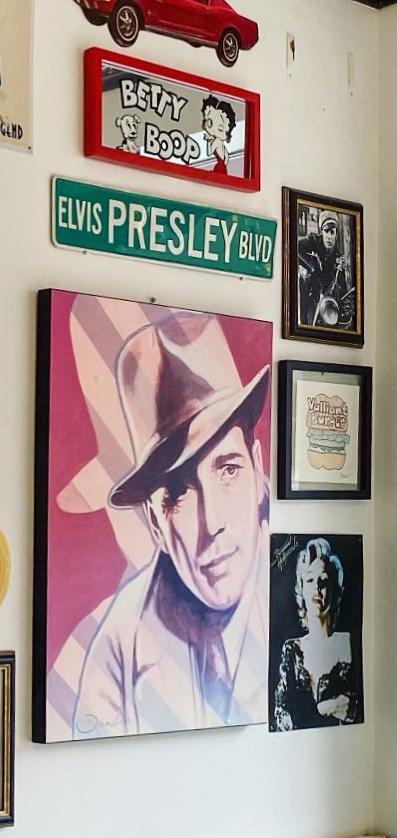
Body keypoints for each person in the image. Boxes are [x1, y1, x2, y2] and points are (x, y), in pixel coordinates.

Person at [72, 312, 271, 738]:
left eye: (229, 469)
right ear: (155, 522)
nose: (212, 522)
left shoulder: (308, 588)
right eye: (178, 494)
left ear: (258, 471)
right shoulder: (118, 649)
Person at [274, 539, 360, 730]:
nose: (317, 587)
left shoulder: (348, 643)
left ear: (334, 590)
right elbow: (280, 713)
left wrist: (346, 708)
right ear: (302, 590)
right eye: (310, 580)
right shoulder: (292, 649)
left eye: (324, 580)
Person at [296, 210, 345, 327]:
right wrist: (312, 266)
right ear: (322, 232)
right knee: (304, 317)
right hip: (307, 284)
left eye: (332, 232)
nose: (329, 236)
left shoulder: (338, 256)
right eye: (326, 231)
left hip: (322, 291)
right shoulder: (312, 239)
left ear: (336, 235)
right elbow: (296, 248)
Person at [201, 95, 236, 174]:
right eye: (210, 123)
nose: (213, 130)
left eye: (220, 128)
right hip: (222, 166)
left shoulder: (217, 141)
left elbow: (209, 152)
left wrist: (208, 141)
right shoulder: (220, 142)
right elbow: (226, 157)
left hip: (219, 167)